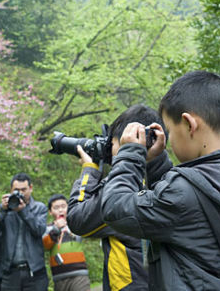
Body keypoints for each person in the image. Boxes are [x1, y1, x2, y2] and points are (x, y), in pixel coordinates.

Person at [99, 70, 220, 290]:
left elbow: (114, 208)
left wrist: (128, 155)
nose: (171, 141)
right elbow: (185, 211)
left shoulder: (184, 192)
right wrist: (156, 163)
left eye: (171, 132)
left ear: (189, 124)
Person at [68, 104, 172, 291]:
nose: (109, 150)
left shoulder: (122, 189)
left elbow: (78, 220)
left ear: (126, 141)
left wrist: (89, 170)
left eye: (113, 143)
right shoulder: (169, 180)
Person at [0, 173, 48, 291]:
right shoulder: (4, 210)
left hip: (34, 271)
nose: (20, 193)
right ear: (11, 190)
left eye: (23, 189)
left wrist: (23, 211)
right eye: (16, 190)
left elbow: (39, 230)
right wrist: (2, 210)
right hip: (10, 271)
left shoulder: (39, 208)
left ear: (31, 188)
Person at [43, 194, 90, 291]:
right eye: (56, 208)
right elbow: (45, 246)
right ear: (50, 212)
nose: (60, 210)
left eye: (63, 206)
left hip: (79, 274)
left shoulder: (75, 225)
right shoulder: (47, 229)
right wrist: (56, 229)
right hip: (59, 276)